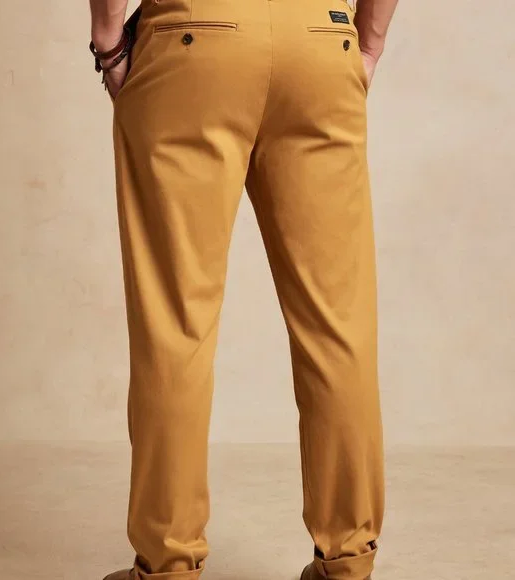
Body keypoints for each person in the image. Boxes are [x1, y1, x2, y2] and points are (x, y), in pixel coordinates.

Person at [88, 0, 398, 578]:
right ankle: (348, 562)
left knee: (175, 322)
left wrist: (109, 42)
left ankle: (169, 563)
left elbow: (110, 26)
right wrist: (368, 41)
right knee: (337, 325)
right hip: (320, 38)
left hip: (193, 37)